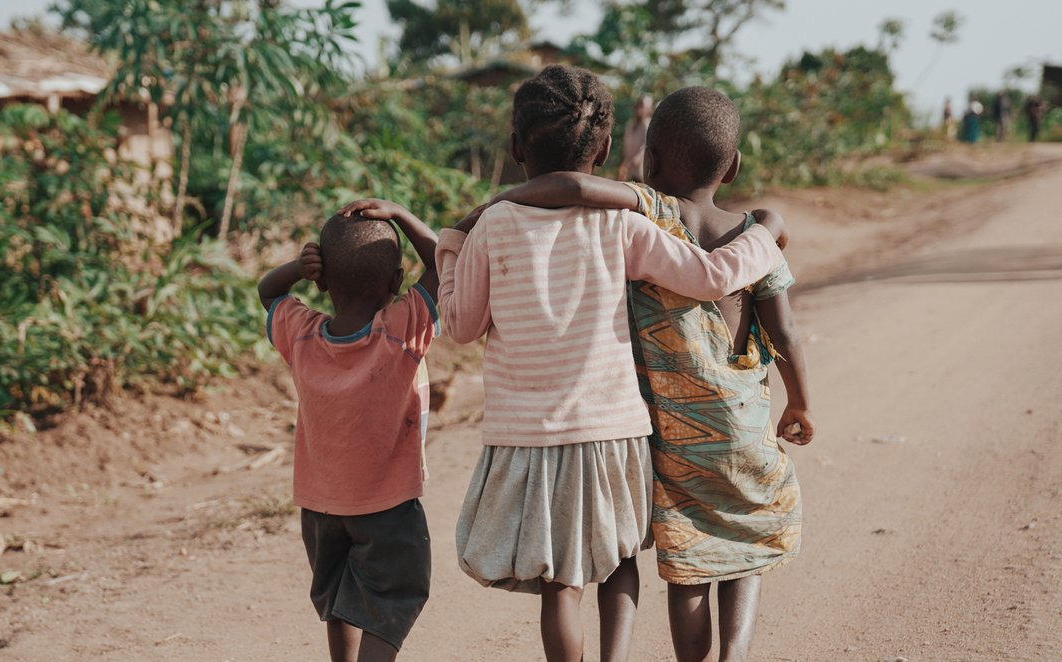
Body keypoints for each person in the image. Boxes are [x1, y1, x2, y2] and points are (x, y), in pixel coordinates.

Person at [436, 65, 785, 662]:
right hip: (614, 429)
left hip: (528, 438)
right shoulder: (623, 224)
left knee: (560, 584)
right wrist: (767, 231)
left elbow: (460, 326)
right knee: (620, 560)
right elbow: (709, 277)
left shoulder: (493, 225)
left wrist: (449, 245)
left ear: (516, 147)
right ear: (604, 148)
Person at [258, 199, 440, 662]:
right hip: (387, 507)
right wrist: (400, 214)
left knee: (339, 601)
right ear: (396, 282)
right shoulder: (401, 330)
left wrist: (298, 269)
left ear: (321, 283)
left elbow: (267, 292)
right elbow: (444, 263)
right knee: (389, 604)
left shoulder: (301, 334)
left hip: (320, 508)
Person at [619, 94, 654, 182]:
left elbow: (646, 147)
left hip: (642, 172)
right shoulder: (630, 125)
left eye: (643, 106)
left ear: (650, 109)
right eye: (640, 105)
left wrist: (633, 162)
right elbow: (626, 148)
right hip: (629, 170)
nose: (641, 109)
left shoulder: (648, 124)